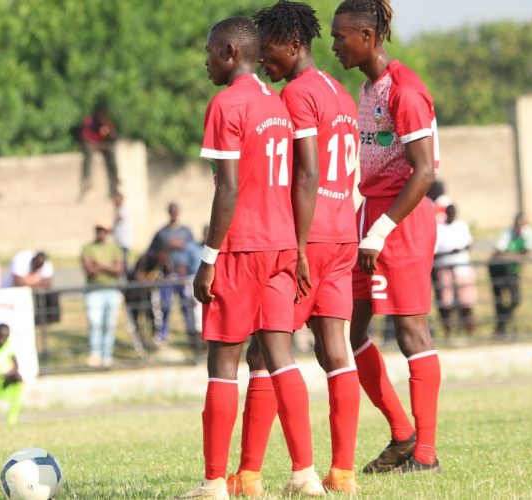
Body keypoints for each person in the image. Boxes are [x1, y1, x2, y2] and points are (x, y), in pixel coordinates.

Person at [177, 17, 321, 500]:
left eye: (210, 51)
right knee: (281, 358)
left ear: (230, 53)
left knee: (223, 364)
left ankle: (215, 482)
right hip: (281, 245)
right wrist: (298, 248)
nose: (206, 61)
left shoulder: (226, 103)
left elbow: (229, 190)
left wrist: (207, 256)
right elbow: (302, 176)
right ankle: (305, 475)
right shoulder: (277, 105)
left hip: (241, 247)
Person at [225, 2, 362, 495]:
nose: (263, 59)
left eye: (270, 49)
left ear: (296, 43)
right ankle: (342, 474)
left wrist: (298, 246)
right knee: (335, 351)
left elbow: (306, 173)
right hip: (344, 232)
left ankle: (249, 475)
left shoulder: (298, 95)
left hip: (310, 237)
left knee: (265, 353)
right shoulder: (341, 93)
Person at [332, 0, 442, 474]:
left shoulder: (406, 90)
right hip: (370, 217)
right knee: (350, 333)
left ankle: (426, 453)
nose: (334, 45)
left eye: (341, 37)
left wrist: (380, 230)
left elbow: (423, 174)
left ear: (368, 37)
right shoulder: (368, 87)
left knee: (412, 333)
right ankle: (401, 432)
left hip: (402, 220)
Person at [148, 203, 197, 346]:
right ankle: (162, 337)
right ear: (168, 212)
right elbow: (151, 251)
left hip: (184, 276)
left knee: (187, 306)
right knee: (165, 306)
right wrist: (161, 254)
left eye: (176, 211)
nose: (173, 214)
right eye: (171, 211)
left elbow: (195, 250)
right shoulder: (162, 233)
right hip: (167, 275)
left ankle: (191, 335)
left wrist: (182, 246)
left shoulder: (186, 232)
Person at [81, 222, 124, 368]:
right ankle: (95, 354)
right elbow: (89, 269)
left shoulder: (114, 248)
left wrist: (100, 265)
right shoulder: (88, 248)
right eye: (98, 229)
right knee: (95, 323)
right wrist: (108, 266)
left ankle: (107, 355)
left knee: (109, 324)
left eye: (103, 230)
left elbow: (119, 269)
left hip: (111, 290)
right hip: (94, 290)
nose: (100, 232)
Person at [488, 212, 532, 336]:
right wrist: (514, 256)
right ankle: (500, 329)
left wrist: (512, 257)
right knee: (499, 301)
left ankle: (502, 325)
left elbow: (525, 253)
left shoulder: (529, 233)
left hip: (512, 271)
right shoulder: (507, 234)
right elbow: (499, 253)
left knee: (515, 299)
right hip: (498, 270)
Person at [433, 204, 477, 335]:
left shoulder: (461, 226)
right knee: (447, 302)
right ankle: (449, 331)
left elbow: (468, 244)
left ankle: (469, 330)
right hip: (445, 267)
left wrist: (457, 251)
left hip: (461, 268)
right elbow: (435, 251)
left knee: (466, 301)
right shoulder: (439, 228)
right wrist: (451, 252)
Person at [78, 104, 120, 199]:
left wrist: (109, 132)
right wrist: (95, 144)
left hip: (101, 145)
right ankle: (87, 178)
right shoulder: (89, 122)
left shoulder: (106, 123)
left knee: (111, 153)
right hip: (92, 145)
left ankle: (115, 178)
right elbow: (85, 138)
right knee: (88, 153)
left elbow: (113, 138)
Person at [112, 192, 132, 271]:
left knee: (123, 263)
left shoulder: (123, 211)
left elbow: (120, 218)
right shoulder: (118, 211)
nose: (115, 201)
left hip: (123, 242)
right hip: (118, 242)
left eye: (117, 199)